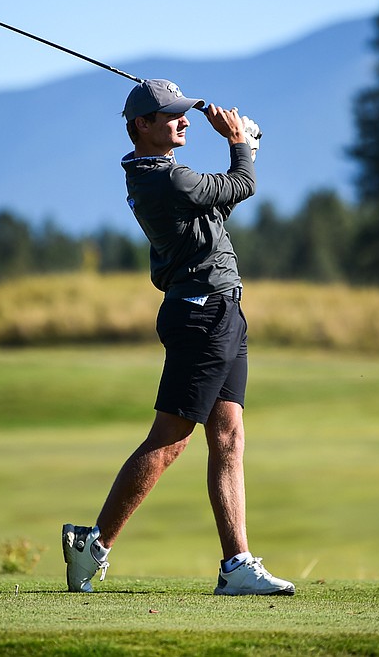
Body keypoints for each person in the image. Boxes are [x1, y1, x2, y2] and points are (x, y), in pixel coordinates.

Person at [61, 78, 294, 596]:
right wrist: (241, 147)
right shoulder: (164, 178)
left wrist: (243, 153)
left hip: (221, 311)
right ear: (142, 126)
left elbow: (219, 205)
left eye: (183, 112)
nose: (184, 120)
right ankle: (93, 546)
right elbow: (240, 186)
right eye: (171, 116)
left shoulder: (169, 177)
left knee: (228, 435)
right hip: (201, 312)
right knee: (171, 439)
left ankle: (236, 565)